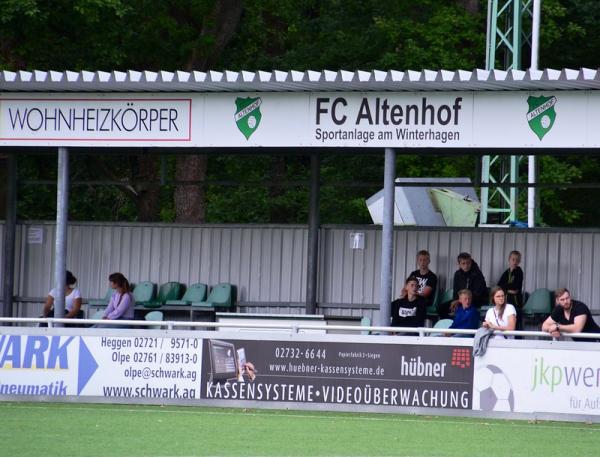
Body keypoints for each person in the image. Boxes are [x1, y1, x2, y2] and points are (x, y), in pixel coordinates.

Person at [437, 252, 487, 319]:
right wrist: (455, 301)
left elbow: (477, 294)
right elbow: (456, 291)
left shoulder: (477, 274)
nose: (466, 265)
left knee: (461, 307)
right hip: (461, 300)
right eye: (463, 263)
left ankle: (458, 324)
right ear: (459, 264)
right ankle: (451, 324)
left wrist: (459, 301)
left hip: (475, 300)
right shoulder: (457, 274)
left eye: (468, 263)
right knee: (441, 308)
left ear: (471, 262)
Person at [497, 250, 524, 330]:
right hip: (505, 301)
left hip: (516, 303)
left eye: (517, 260)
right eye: (513, 259)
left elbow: (516, 287)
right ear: (509, 259)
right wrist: (508, 290)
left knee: (516, 323)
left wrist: (505, 288)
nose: (515, 262)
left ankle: (518, 340)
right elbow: (499, 285)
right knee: (505, 322)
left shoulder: (519, 272)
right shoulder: (506, 272)